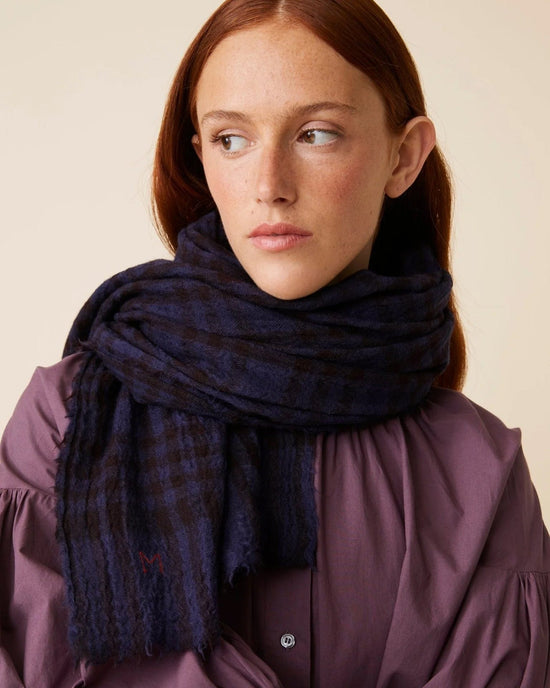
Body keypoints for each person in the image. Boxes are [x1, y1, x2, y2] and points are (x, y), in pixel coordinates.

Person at [1, 0, 548, 686]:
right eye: (232, 140)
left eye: (316, 134)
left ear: (403, 157)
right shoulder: (67, 418)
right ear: (202, 160)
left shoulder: (481, 470)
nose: (269, 187)